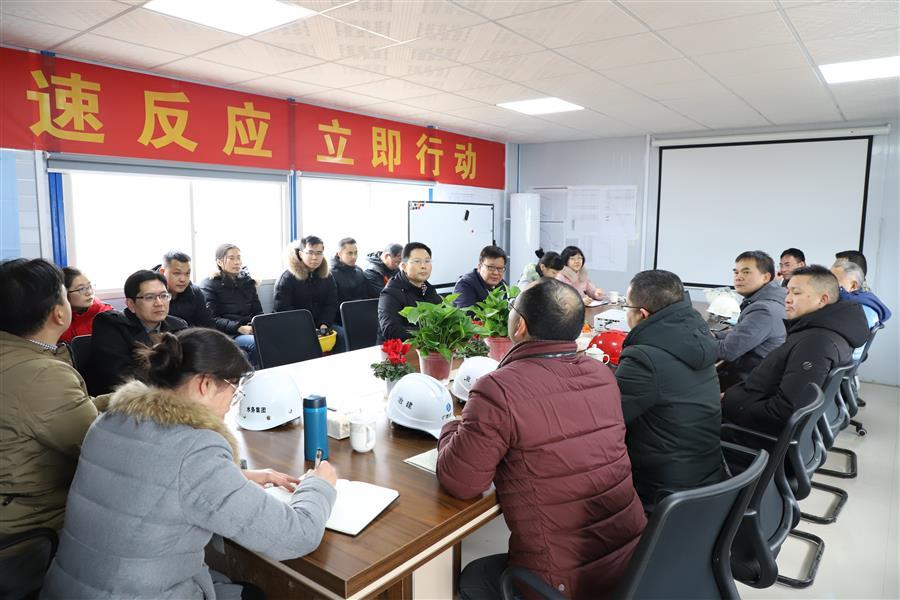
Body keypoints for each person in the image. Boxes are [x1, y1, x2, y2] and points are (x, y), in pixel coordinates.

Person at [42, 328, 338, 599]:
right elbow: (296, 537)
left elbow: (150, 477)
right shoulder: (196, 449)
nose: (232, 402)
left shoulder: (108, 420)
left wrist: (238, 476)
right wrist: (319, 485)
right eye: (234, 389)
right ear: (205, 384)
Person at [436, 278, 646, 600]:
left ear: (519, 325)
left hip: (561, 582)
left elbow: (462, 482)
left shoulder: (498, 389)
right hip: (631, 565)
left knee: (474, 576)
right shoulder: (602, 375)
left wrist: (451, 426)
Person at [0, 259, 99, 596]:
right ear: (59, 313)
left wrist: (131, 399)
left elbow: (64, 411)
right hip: (27, 537)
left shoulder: (15, 357)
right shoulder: (41, 374)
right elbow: (100, 449)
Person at [615, 270, 725, 508]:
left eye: (627, 306)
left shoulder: (643, 358)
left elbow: (609, 419)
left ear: (642, 314)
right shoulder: (696, 336)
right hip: (708, 472)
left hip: (661, 488)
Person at [722, 266, 869, 436]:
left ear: (822, 300)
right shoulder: (822, 331)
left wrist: (729, 406)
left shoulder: (815, 344)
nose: (788, 299)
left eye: (796, 293)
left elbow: (782, 413)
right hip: (748, 409)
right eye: (788, 292)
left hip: (749, 433)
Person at [90, 270, 188, 395]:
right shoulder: (110, 324)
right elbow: (121, 376)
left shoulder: (179, 326)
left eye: (164, 296)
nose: (159, 303)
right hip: (126, 399)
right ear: (131, 304)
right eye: (149, 297)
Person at [714, 251, 787, 388]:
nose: (738, 277)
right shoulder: (773, 299)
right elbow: (742, 332)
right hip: (757, 375)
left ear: (765, 277)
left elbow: (727, 351)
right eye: (736, 272)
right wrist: (715, 335)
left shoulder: (763, 310)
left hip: (748, 383)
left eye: (746, 272)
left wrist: (696, 341)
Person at [274, 236, 345, 353]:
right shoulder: (287, 278)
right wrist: (308, 328)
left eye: (319, 253)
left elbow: (331, 304)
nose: (315, 257)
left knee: (342, 336)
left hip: (322, 325)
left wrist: (324, 324)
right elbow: (283, 310)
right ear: (301, 254)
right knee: (307, 343)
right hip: (295, 327)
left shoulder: (327, 276)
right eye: (310, 253)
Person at [200, 243, 263, 367]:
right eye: (231, 258)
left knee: (276, 338)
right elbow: (211, 319)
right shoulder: (209, 284)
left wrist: (257, 325)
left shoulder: (248, 282)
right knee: (257, 344)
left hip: (249, 329)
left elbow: (258, 312)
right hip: (227, 334)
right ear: (219, 262)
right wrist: (238, 328)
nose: (237, 262)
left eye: (239, 257)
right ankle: (254, 375)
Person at [377, 242, 441, 343]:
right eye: (417, 261)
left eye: (427, 261)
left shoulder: (428, 289)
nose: (423, 266)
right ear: (404, 266)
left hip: (426, 346)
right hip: (398, 350)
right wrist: (429, 332)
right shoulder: (391, 293)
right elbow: (391, 330)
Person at [153, 250, 215, 328]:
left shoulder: (195, 292)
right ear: (162, 272)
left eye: (187, 273)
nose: (183, 279)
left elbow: (207, 325)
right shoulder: (148, 294)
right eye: (177, 273)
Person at [59, 266, 113, 344]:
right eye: (81, 289)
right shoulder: (58, 319)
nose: (89, 292)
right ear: (64, 293)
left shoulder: (106, 313)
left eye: (90, 286)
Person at [330, 237, 374, 324]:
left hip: (361, 316)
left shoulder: (359, 271)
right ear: (339, 254)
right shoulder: (331, 274)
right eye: (349, 253)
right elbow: (332, 305)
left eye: (355, 253)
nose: (354, 257)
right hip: (340, 320)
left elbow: (366, 297)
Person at [452, 245, 507, 309]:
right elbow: (466, 314)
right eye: (491, 267)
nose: (496, 273)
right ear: (479, 266)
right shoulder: (464, 284)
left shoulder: (502, 284)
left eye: (500, 268)